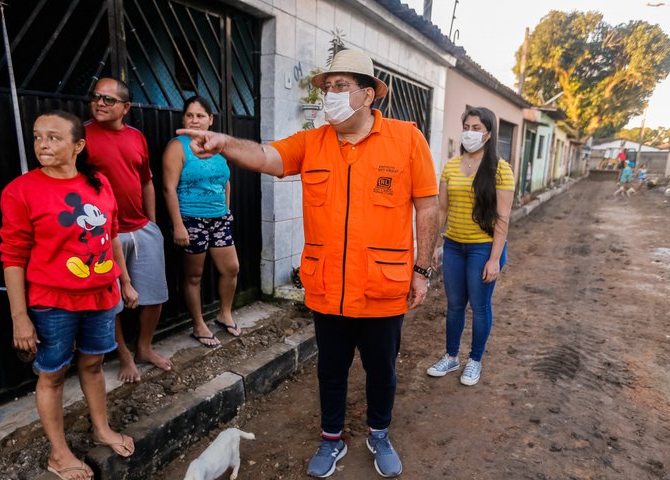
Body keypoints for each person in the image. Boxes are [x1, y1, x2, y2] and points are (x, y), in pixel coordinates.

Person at [176, 49, 440, 478]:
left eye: (341, 87)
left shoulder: (407, 140)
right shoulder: (312, 142)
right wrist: (225, 144)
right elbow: (266, 156)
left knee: (382, 372)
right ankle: (331, 439)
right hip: (328, 287)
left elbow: (427, 208)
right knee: (330, 370)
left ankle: (379, 433)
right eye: (327, 87)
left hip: (382, 287)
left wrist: (422, 270)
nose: (330, 95)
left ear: (368, 95)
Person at [0, 111, 136, 480]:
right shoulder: (21, 190)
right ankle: (58, 454)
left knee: (93, 365)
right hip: (52, 303)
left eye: (54, 137)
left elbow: (111, 237)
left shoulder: (100, 184)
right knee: (52, 376)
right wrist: (19, 317)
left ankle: (102, 428)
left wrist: (124, 282)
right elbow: (12, 256)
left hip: (101, 298)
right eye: (37, 136)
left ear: (78, 146)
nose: (43, 143)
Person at [85, 77, 171, 382]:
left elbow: (146, 179)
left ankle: (144, 347)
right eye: (96, 97)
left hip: (142, 227)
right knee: (113, 300)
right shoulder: (82, 137)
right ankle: (123, 355)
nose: (100, 103)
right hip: (106, 233)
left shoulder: (137, 137)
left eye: (109, 99)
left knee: (155, 295)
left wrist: (152, 223)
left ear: (126, 107)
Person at [426, 107, 515, 387]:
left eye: (476, 127)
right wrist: (434, 245)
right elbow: (442, 210)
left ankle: (474, 360)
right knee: (454, 306)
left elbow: (503, 218)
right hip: (454, 247)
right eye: (466, 126)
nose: (470, 132)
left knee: (479, 306)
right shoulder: (451, 166)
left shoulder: (501, 170)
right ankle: (451, 357)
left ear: (488, 133)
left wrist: (494, 258)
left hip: (483, 249)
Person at [162, 96, 240, 348]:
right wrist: (178, 225)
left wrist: (226, 210)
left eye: (200, 116)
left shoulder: (216, 145)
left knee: (231, 268)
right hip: (191, 219)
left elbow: (225, 180)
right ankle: (198, 325)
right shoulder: (178, 146)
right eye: (190, 115)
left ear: (210, 120)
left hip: (219, 219)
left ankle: (224, 313)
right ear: (183, 118)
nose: (194, 120)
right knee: (194, 276)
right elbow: (168, 188)